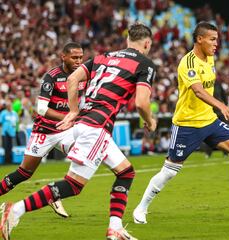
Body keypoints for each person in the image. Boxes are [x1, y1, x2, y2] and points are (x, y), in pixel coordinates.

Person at [0, 23, 157, 240]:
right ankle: (15, 210)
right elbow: (141, 103)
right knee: (73, 185)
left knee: (126, 172)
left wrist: (74, 110)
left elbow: (73, 79)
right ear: (147, 43)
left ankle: (115, 228)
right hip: (95, 128)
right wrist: (150, 120)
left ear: (127, 41)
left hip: (84, 123)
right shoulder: (145, 64)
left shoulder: (103, 57)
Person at [133, 21, 229, 225]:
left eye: (217, 39)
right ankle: (141, 208)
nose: (216, 43)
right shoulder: (188, 62)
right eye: (212, 39)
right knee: (169, 171)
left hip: (208, 121)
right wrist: (222, 107)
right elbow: (198, 91)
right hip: (187, 124)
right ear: (199, 39)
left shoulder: (210, 58)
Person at [0, 42, 84, 218]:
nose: (78, 61)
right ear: (63, 57)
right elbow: (42, 109)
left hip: (66, 130)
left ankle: (55, 193)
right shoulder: (51, 76)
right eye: (74, 57)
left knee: (83, 156)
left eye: (80, 58)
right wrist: (68, 117)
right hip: (44, 131)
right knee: (24, 173)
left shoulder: (83, 76)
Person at [0, 99, 18, 164]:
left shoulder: (14, 113)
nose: (9, 106)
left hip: (12, 132)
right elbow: (0, 122)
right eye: (7, 105)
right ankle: (6, 160)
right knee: (6, 146)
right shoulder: (3, 113)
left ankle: (10, 159)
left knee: (11, 146)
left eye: (10, 105)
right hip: (5, 132)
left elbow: (16, 122)